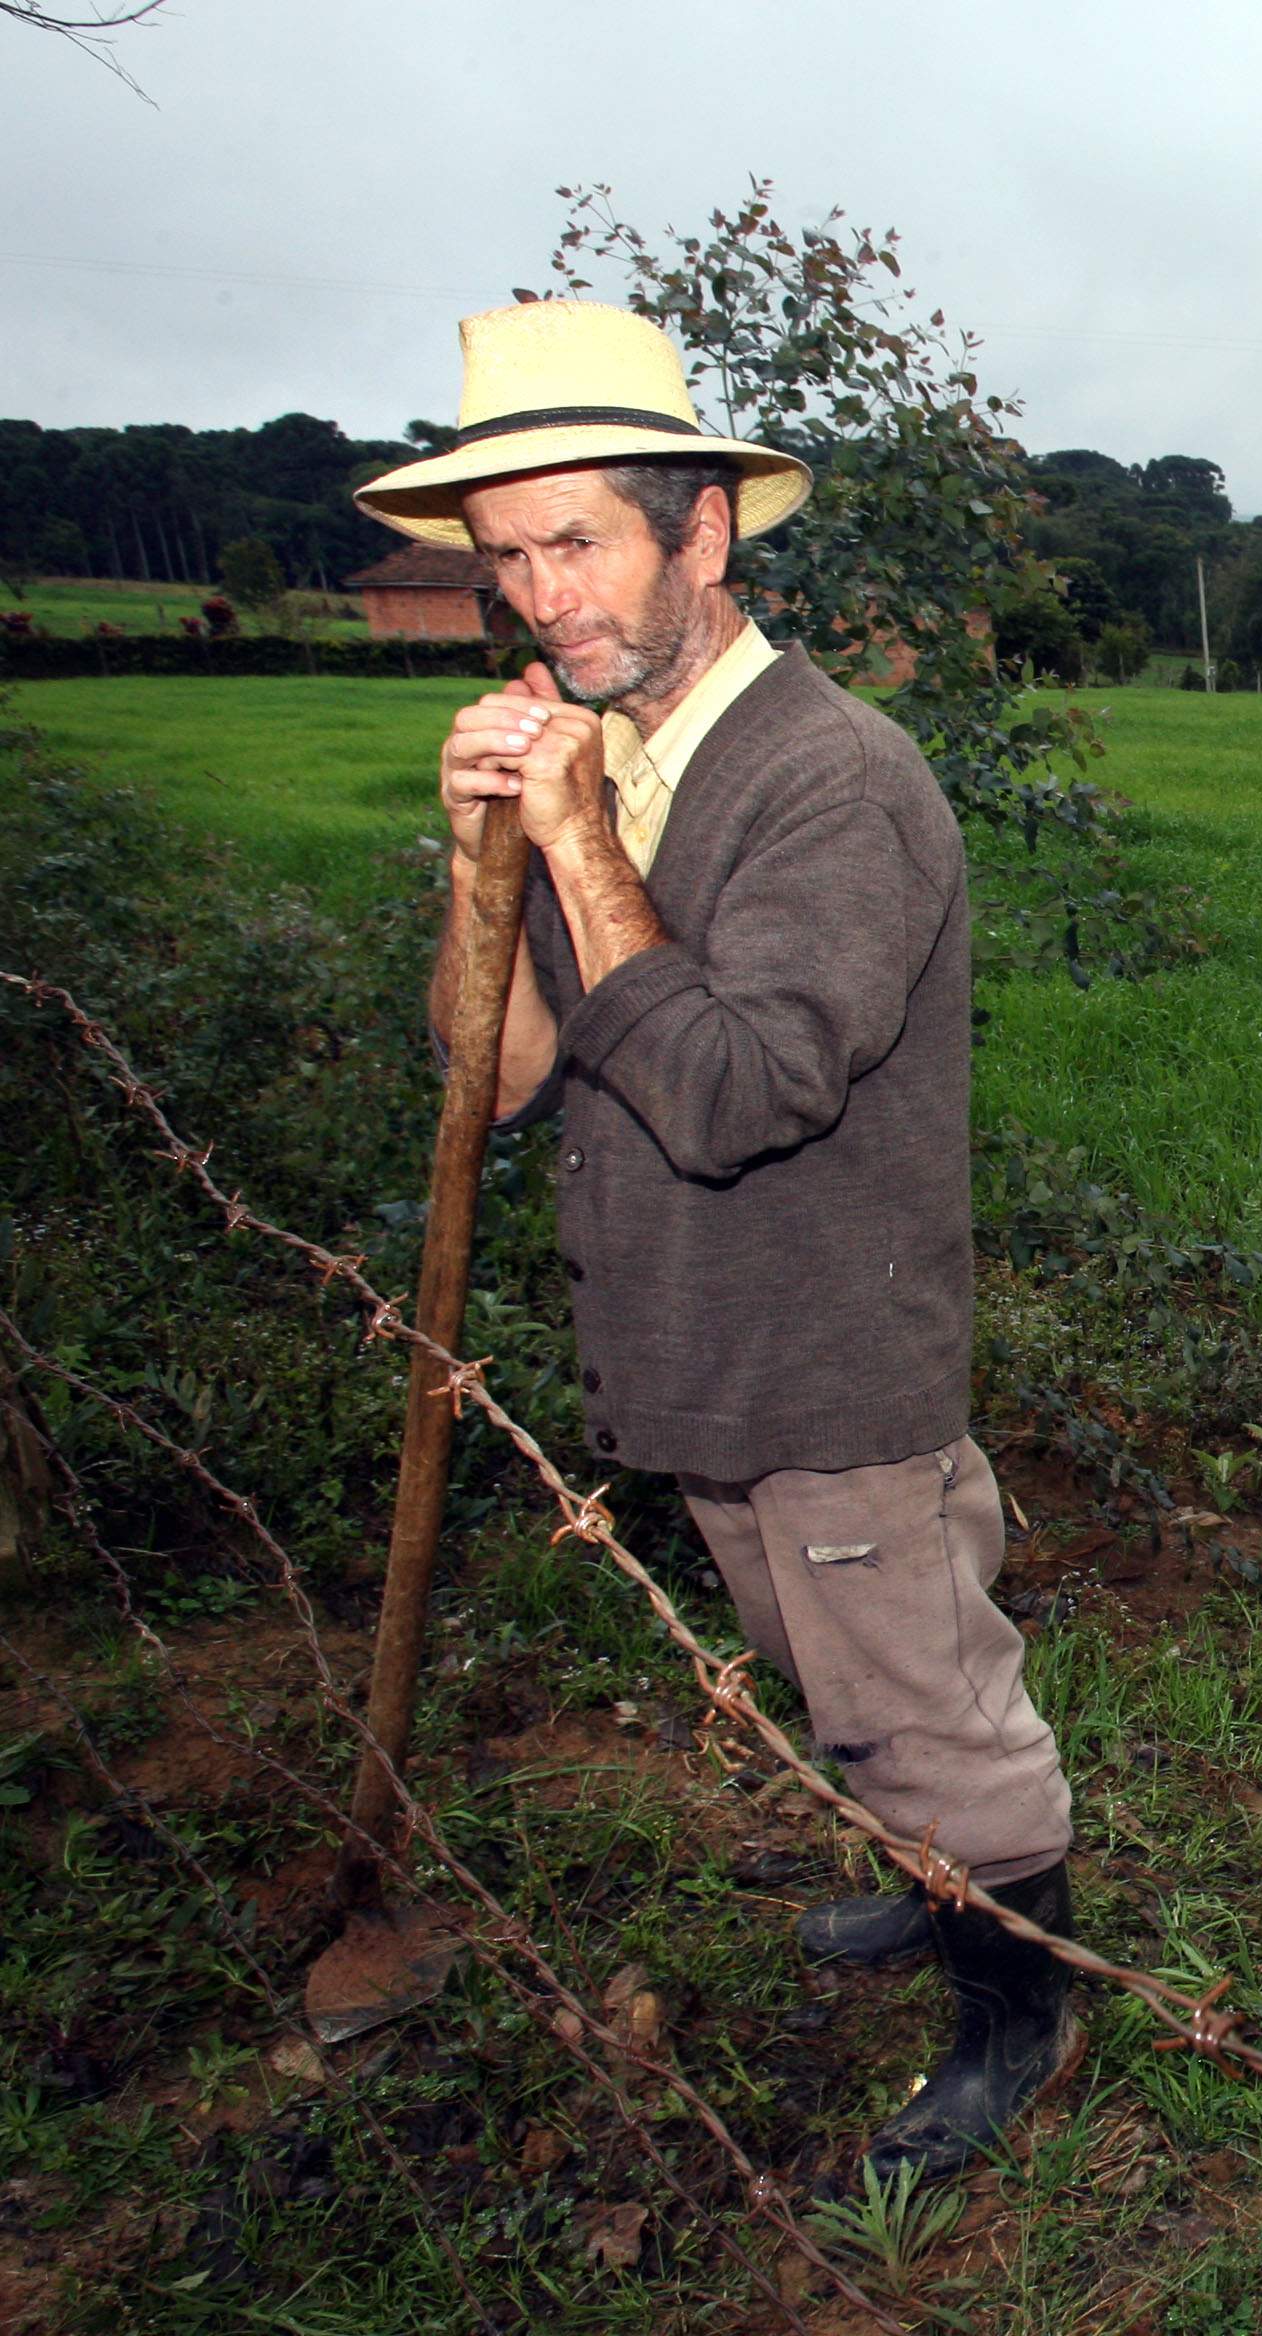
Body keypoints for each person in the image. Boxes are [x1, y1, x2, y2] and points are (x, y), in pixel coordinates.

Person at [357, 300, 1077, 2192]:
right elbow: (498, 1078)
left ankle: (1023, 2007)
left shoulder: (834, 780)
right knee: (823, 1665)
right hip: (695, 1348)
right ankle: (930, 1892)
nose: (537, 599)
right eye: (504, 558)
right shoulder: (612, 761)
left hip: (832, 1353)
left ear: (702, 535)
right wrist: (478, 857)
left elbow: (746, 1090)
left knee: (926, 1699)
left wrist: (579, 847)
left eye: (574, 541)